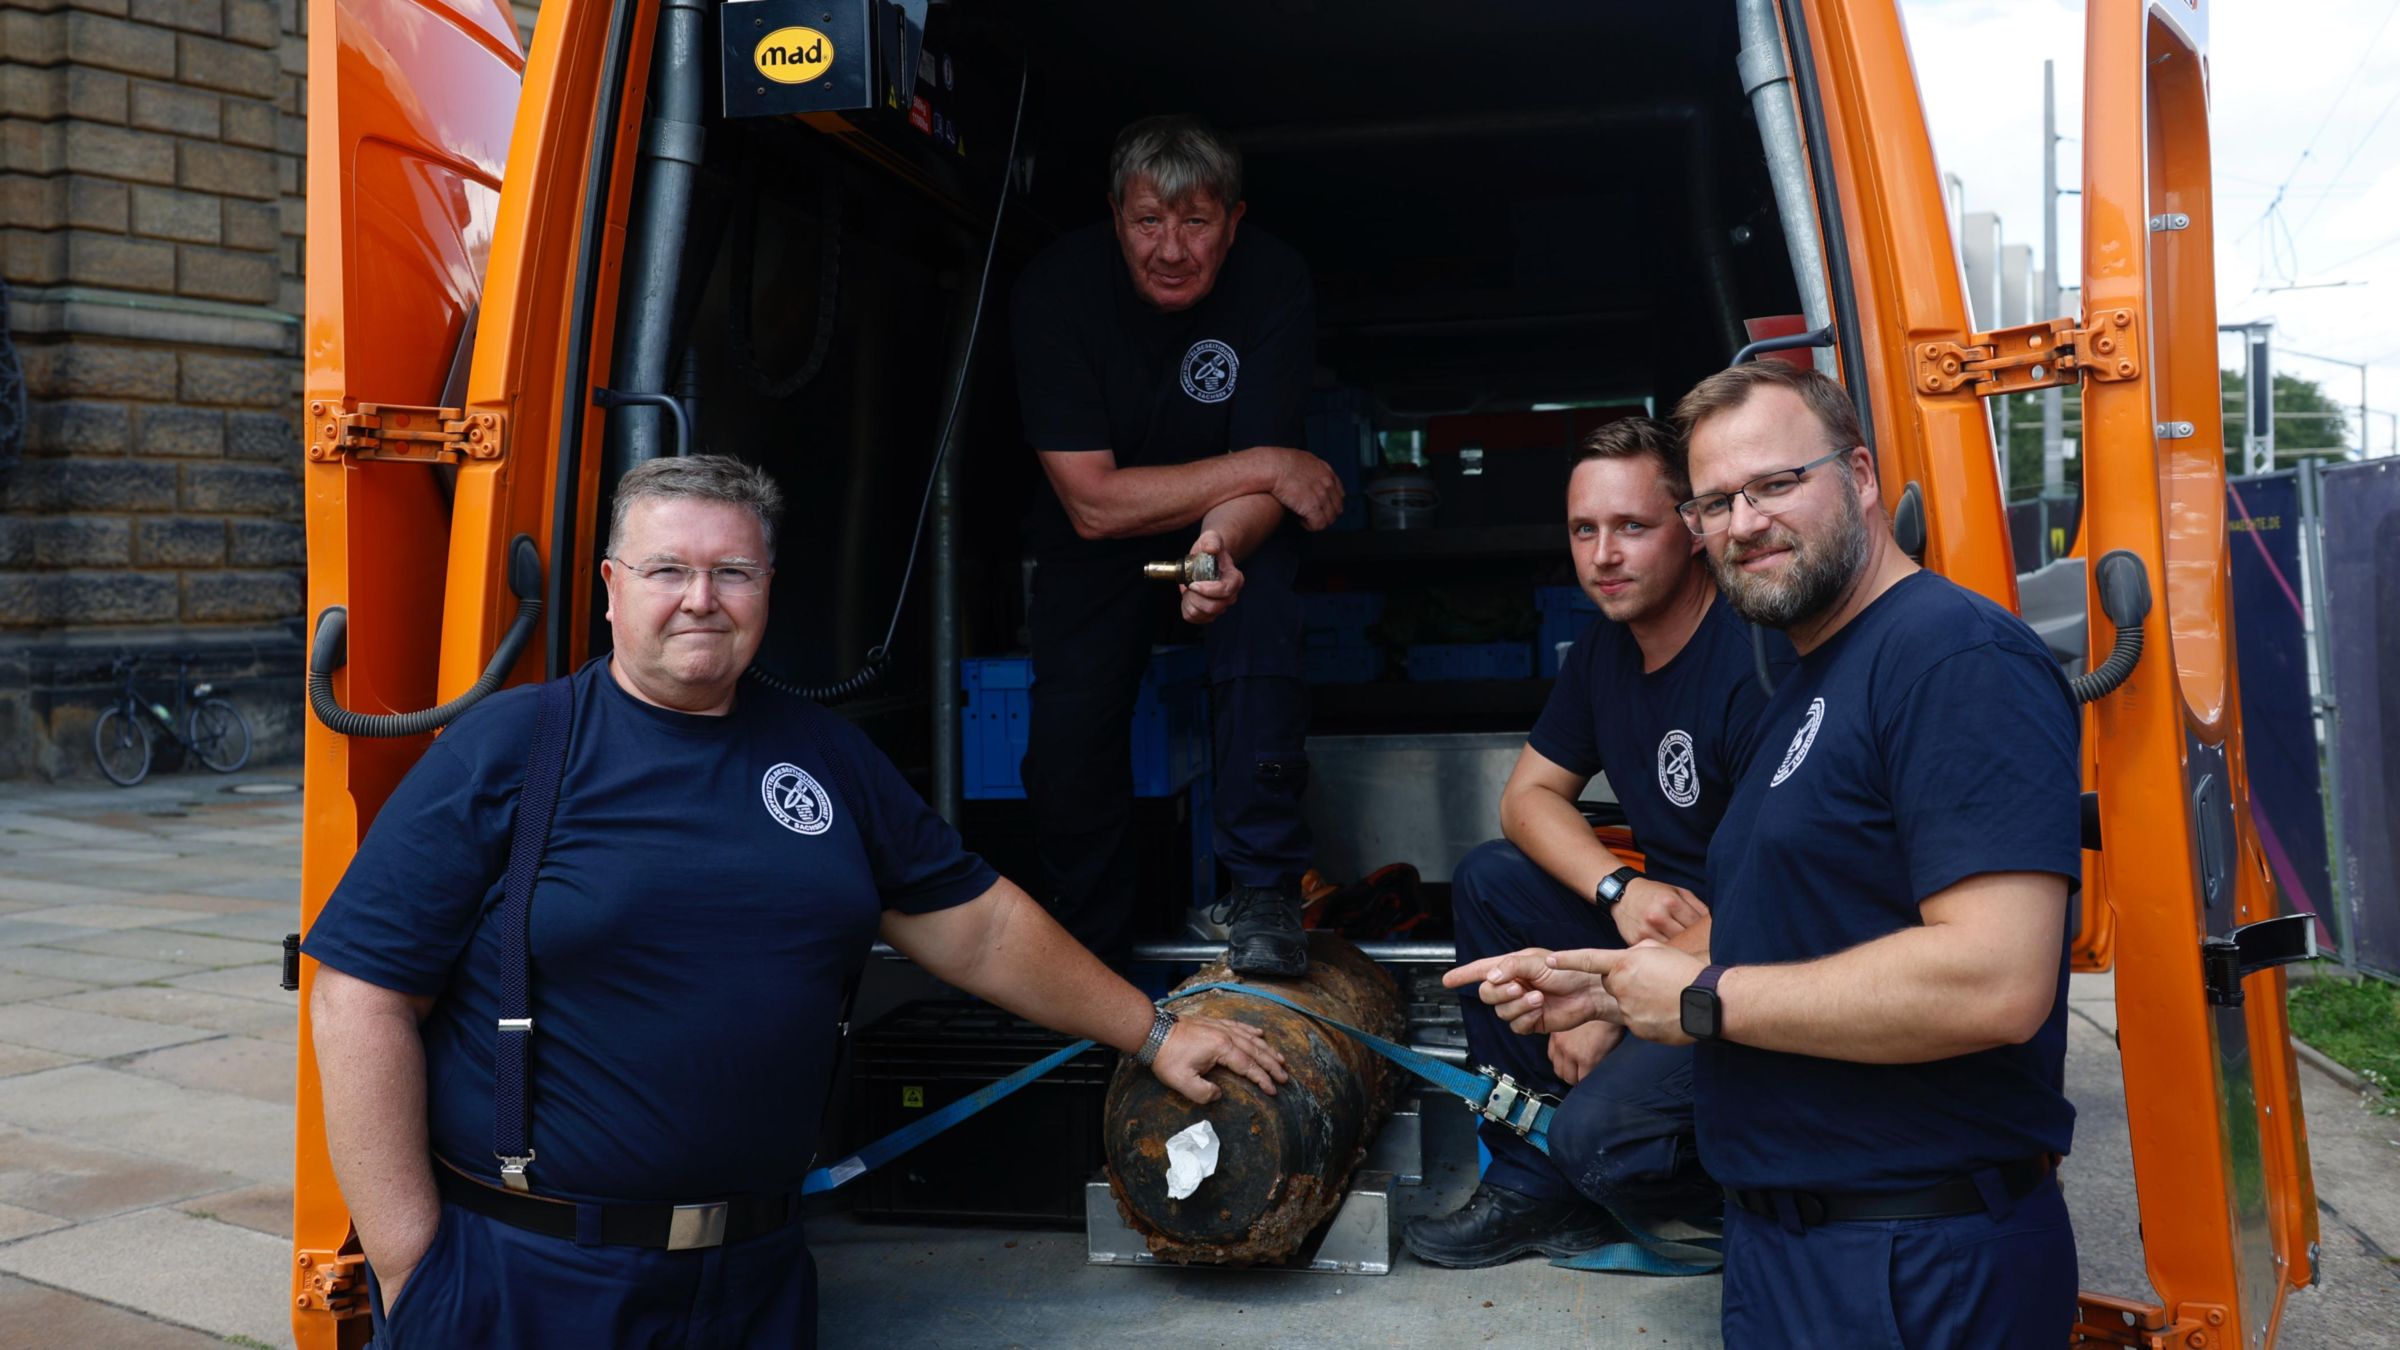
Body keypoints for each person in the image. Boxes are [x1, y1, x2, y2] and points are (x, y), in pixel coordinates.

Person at [305, 456, 1288, 1348]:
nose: (701, 599)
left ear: (768, 590)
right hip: (534, 1282)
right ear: (611, 589)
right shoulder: (510, 750)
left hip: (756, 1283)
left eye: (733, 572)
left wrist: (1150, 1032)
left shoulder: (825, 759)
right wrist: (413, 1265)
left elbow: (979, 926)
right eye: (666, 571)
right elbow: (358, 995)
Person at [1459, 361, 2082, 1347]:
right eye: (1717, 501)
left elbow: (1994, 980)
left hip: (1911, 1268)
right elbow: (1801, 926)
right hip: (1788, 1253)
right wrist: (1621, 990)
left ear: (1863, 476)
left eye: (1778, 483)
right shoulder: (1808, 678)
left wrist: (1700, 1000)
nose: (1745, 521)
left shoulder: (1953, 658)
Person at [1406, 417, 1792, 1269]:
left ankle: (1728, 1203)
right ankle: (1533, 1184)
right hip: (1667, 923)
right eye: (1586, 530)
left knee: (1603, 1140)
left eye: (1632, 527)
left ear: (1693, 530)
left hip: (1754, 950)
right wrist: (1621, 892)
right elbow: (1526, 799)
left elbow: (1777, 894)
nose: (1604, 554)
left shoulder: (1754, 661)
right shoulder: (1604, 656)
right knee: (1493, 879)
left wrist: (1615, 1006)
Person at [1009, 113, 1344, 976]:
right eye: (1147, 221)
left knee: (1261, 608)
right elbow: (1092, 504)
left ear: (1233, 221)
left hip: (1223, 528)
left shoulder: (1272, 279)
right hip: (1098, 542)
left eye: (1195, 222)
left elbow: (1267, 500)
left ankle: (1266, 891)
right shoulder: (1059, 288)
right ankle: (1086, 955)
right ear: (1116, 216)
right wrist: (1269, 460)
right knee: (1070, 735)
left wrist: (1218, 550)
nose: (1170, 247)